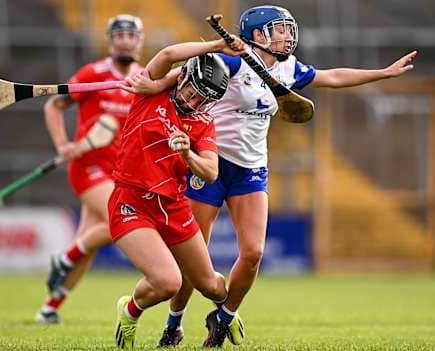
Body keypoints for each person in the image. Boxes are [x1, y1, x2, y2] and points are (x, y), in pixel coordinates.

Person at [148, 5, 418, 348]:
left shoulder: (289, 69)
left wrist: (383, 73)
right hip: (210, 164)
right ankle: (174, 323)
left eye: (289, 29)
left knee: (253, 253)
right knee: (193, 258)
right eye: (279, 29)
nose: (287, 35)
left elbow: (332, 77)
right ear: (258, 34)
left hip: (251, 171)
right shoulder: (231, 62)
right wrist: (151, 85)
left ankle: (223, 317)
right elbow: (181, 76)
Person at [107, 37, 246, 350]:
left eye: (204, 100)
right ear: (182, 78)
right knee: (169, 282)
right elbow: (167, 53)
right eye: (193, 93)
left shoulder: (202, 123)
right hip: (131, 201)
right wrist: (215, 45)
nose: (195, 103)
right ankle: (129, 313)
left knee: (210, 285)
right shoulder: (148, 93)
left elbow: (210, 171)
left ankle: (227, 313)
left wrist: (187, 155)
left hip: (173, 206)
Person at [35, 14, 146, 324]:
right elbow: (53, 105)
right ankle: (66, 256)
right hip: (89, 167)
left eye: (131, 35)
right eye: (119, 35)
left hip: (122, 173)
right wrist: (62, 145)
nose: (125, 40)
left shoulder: (143, 77)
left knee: (89, 242)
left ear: (140, 42)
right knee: (121, 220)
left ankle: (50, 308)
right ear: (110, 42)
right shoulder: (93, 74)